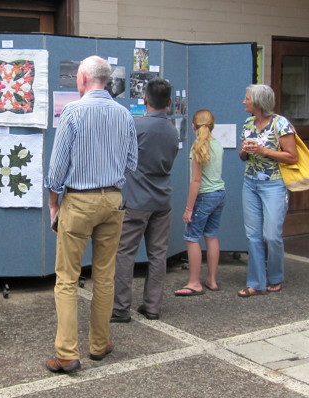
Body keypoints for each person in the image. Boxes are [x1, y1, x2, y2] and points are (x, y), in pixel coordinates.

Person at [44, 56, 138, 373]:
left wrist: (53, 204)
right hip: (113, 199)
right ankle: (100, 344)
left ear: (83, 78)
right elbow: (131, 162)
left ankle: (67, 353)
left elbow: (57, 169)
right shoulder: (124, 115)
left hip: (79, 201)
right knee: (104, 275)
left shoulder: (72, 112)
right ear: (106, 80)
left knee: (67, 279)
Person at [111, 78, 178, 322]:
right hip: (162, 200)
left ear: (145, 99)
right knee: (158, 254)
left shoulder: (135, 126)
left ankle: (120, 308)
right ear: (170, 102)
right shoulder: (173, 130)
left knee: (125, 253)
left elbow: (120, 159)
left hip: (136, 199)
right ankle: (152, 306)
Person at [237, 84, 297, 297]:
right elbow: (242, 157)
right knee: (253, 235)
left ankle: (276, 276)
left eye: (247, 98)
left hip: (274, 184)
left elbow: (292, 156)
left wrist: (263, 150)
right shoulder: (247, 123)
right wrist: (244, 151)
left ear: (259, 102)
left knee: (271, 235)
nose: (243, 101)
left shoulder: (281, 124)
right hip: (250, 183)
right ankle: (256, 283)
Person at [174, 110, 226, 296]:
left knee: (191, 237)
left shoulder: (197, 148)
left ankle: (194, 282)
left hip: (204, 197)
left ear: (193, 127)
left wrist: (189, 209)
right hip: (219, 194)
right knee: (211, 236)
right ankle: (212, 280)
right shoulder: (217, 144)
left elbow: (196, 181)